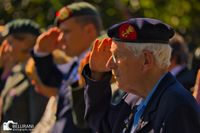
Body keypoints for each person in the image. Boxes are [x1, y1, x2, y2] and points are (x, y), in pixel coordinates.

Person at [82, 18, 200, 133]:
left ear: (146, 61)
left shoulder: (178, 108)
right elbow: (102, 125)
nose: (109, 64)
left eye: (117, 56)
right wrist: (97, 75)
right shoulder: (134, 97)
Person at [31, 2, 103, 133]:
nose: (60, 38)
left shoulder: (103, 65)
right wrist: (42, 53)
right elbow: (52, 82)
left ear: (89, 31)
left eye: (66, 32)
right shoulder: (76, 63)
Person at [0, 19, 48, 129]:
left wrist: (7, 128)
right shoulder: (16, 73)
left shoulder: (37, 76)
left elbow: (35, 125)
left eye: (10, 43)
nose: (6, 48)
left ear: (26, 43)